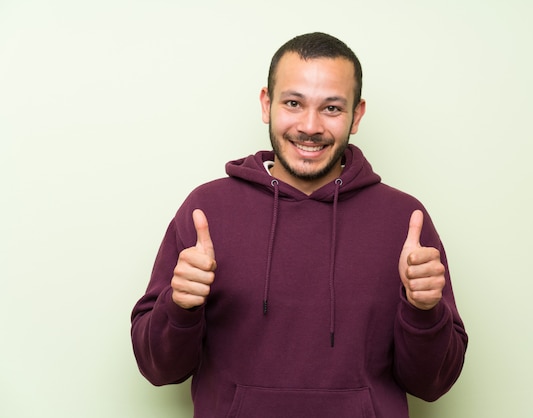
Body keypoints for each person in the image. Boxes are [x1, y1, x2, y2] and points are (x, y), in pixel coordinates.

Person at [131, 32, 468, 418]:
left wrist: (423, 311)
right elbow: (157, 368)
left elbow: (433, 384)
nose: (310, 126)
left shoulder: (404, 220)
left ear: (356, 116)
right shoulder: (206, 210)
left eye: (331, 108)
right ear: (266, 104)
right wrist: (180, 307)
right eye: (293, 103)